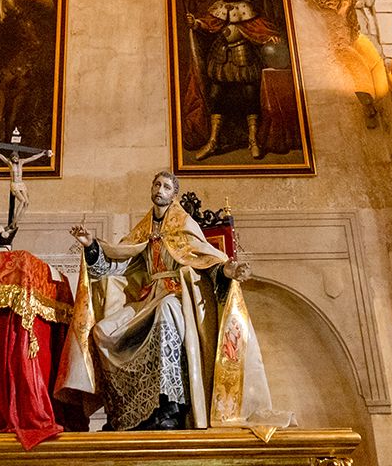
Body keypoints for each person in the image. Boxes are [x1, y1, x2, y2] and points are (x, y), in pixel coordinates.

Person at [59, 170, 275, 431]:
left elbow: (208, 260)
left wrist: (228, 270)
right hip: (146, 298)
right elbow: (118, 264)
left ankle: (168, 405)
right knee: (102, 332)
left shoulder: (184, 226)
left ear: (174, 195)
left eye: (166, 186)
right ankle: (126, 410)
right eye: (157, 184)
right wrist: (92, 245)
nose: (160, 189)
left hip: (177, 297)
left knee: (166, 311)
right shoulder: (143, 231)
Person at [185, 0, 283, 160]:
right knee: (216, 95)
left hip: (242, 55)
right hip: (220, 55)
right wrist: (195, 23)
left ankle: (253, 141)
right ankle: (213, 141)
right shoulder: (217, 6)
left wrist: (269, 36)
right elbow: (209, 23)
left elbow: (258, 27)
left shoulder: (246, 6)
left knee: (249, 95)